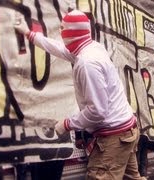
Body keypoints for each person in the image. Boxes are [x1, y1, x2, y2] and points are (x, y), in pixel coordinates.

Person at [14, 9, 142, 179]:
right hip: (125, 132)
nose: (60, 32)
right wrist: (29, 34)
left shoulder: (87, 63)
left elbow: (98, 111)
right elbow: (58, 48)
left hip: (114, 139)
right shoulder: (92, 48)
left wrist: (67, 124)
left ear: (72, 33)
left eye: (62, 28)